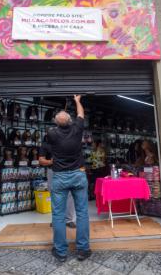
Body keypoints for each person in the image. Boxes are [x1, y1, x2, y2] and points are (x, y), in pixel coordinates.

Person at [47, 95, 91, 262]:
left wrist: (61, 119)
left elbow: (59, 124)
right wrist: (77, 101)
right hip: (78, 174)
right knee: (82, 213)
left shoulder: (51, 134)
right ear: (71, 121)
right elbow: (81, 115)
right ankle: (83, 250)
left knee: (58, 215)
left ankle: (61, 252)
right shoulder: (77, 129)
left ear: (56, 123)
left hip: (60, 177)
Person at [38, 140, 76, 229]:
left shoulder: (66, 141)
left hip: (67, 171)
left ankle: (69, 220)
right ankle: (56, 220)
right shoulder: (46, 144)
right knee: (54, 195)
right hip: (53, 171)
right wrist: (51, 162)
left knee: (70, 195)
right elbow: (41, 160)